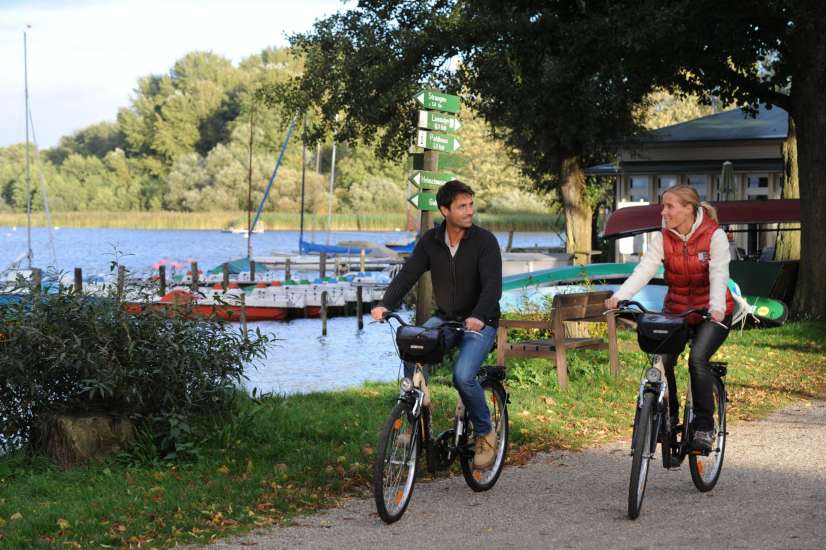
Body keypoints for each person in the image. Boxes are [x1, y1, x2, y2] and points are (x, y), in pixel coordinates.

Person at [371, 179, 502, 469]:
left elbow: (493, 288)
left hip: (482, 320)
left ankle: (485, 432)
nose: (470, 211)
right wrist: (385, 304)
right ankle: (415, 416)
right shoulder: (431, 242)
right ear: (445, 210)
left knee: (463, 376)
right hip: (445, 318)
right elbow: (407, 275)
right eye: (462, 206)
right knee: (412, 349)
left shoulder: (484, 242)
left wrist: (479, 317)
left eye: (471, 204)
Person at [605, 184, 733, 452]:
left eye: (669, 206)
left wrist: (717, 306)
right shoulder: (663, 238)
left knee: (698, 359)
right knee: (663, 360)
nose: (663, 212)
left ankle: (703, 427)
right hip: (677, 311)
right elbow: (645, 270)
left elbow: (719, 274)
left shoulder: (714, 235)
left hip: (713, 311)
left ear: (689, 208)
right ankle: (669, 415)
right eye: (663, 206)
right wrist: (620, 296)